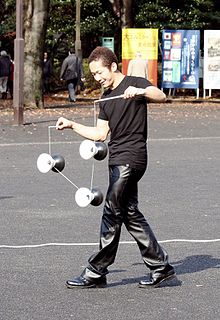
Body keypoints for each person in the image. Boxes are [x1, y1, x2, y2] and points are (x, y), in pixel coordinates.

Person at [56, 46, 175, 289]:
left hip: (131, 158)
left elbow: (160, 95)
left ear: (113, 66)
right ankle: (160, 266)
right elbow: (100, 134)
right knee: (129, 212)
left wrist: (140, 91)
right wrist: (71, 125)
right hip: (117, 159)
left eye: (100, 73)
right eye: (94, 75)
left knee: (111, 211)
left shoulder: (134, 83)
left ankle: (96, 270)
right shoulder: (106, 98)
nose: (98, 79)